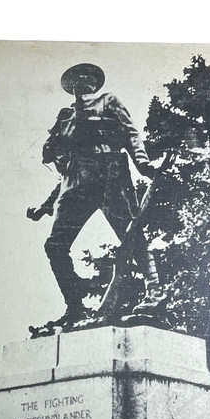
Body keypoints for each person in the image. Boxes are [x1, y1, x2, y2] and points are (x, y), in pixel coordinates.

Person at [29, 63, 162, 322]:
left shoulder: (108, 101)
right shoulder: (65, 116)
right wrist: (45, 205)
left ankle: (155, 290)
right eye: (77, 78)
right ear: (71, 86)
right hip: (75, 182)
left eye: (88, 76)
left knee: (130, 232)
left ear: (94, 82)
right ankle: (75, 306)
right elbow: (62, 162)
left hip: (109, 174)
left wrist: (143, 164)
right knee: (55, 246)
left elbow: (131, 133)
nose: (83, 80)